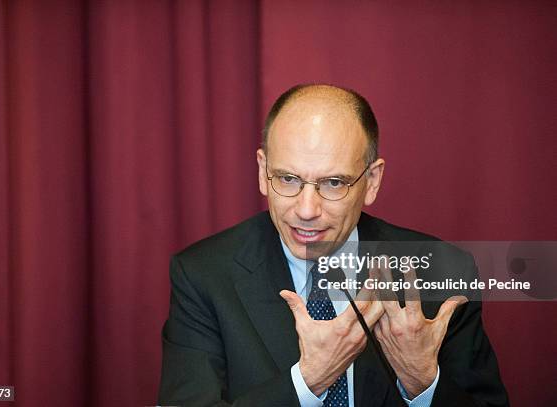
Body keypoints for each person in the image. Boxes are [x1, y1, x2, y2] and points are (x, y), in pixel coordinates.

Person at [158, 84, 509, 406]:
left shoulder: (443, 271)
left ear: (372, 181)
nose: (306, 210)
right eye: (288, 178)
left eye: (333, 183)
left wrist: (423, 382)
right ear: (263, 170)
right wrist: (308, 381)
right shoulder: (203, 275)